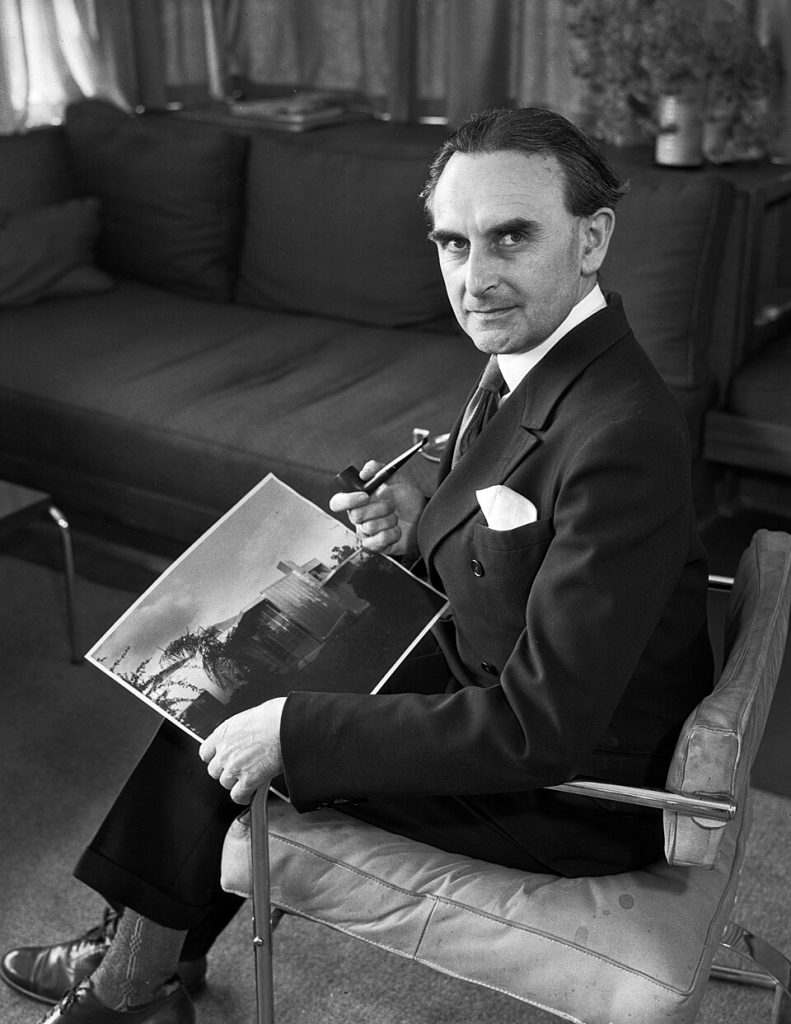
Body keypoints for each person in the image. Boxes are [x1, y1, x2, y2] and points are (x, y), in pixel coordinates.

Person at [2, 107, 714, 1023]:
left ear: (592, 239)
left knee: (246, 721)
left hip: (557, 794)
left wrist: (297, 735)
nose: (475, 278)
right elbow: (519, 539)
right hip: (482, 672)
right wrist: (423, 523)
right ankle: (143, 952)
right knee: (226, 682)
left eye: (510, 238)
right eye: (453, 244)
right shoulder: (542, 355)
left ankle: (132, 976)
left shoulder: (622, 433)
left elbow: (545, 730)